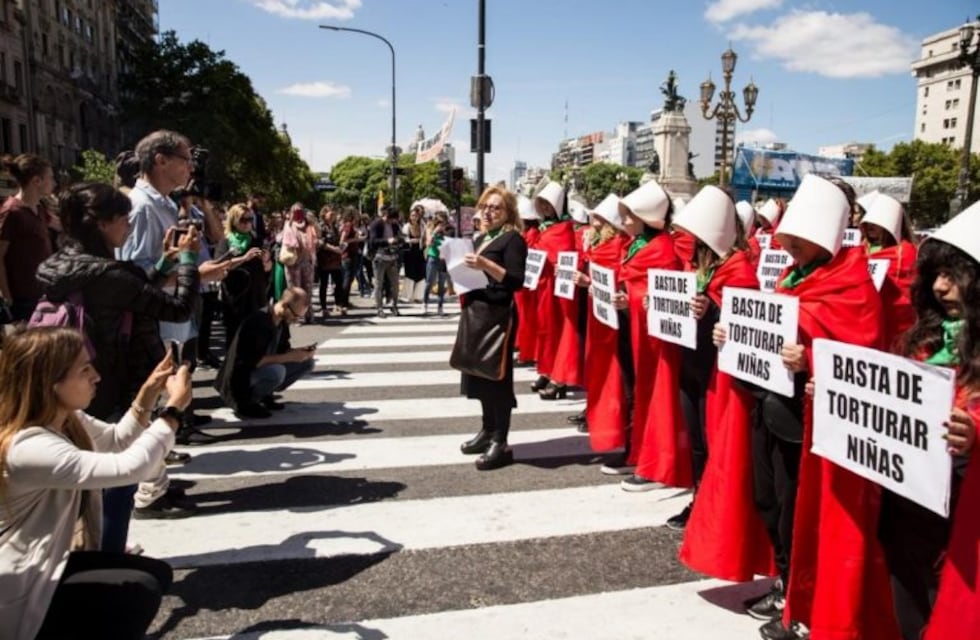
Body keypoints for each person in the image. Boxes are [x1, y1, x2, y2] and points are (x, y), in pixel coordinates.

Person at [721, 175, 893, 640]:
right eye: (787, 238)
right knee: (770, 502)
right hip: (772, 409)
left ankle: (803, 606)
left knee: (799, 515)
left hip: (809, 425)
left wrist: (811, 358)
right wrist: (730, 333)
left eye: (798, 239)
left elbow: (864, 355)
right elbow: (769, 331)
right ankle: (785, 584)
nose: (788, 244)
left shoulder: (853, 285)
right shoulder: (790, 277)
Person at [36, 182, 206, 542]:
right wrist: (190, 261)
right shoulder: (109, 274)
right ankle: (108, 558)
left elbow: (131, 294)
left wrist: (164, 264)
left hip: (74, 377)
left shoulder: (61, 264)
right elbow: (177, 308)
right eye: (123, 220)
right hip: (112, 381)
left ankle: (95, 550)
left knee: (90, 478)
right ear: (102, 223)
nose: (128, 227)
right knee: (119, 480)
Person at [0, 327, 192, 640]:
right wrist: (172, 411)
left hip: (45, 563)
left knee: (154, 575)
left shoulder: (65, 418)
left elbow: (116, 441)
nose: (97, 376)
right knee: (136, 591)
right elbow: (131, 466)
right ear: (50, 383)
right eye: (84, 369)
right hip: (20, 588)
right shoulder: (26, 445)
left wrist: (148, 392)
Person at [878, 201, 979, 640]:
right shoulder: (926, 339)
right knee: (907, 586)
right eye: (936, 275)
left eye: (953, 277)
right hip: (910, 499)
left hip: (962, 508)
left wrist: (975, 432)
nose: (940, 287)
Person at [613, 181, 688, 488]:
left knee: (656, 395)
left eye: (629, 215)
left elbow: (660, 293)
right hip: (633, 331)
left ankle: (658, 461)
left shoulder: (662, 249)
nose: (624, 221)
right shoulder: (638, 245)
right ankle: (640, 450)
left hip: (655, 342)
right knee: (637, 392)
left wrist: (628, 297)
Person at [458, 186, 528, 471]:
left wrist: (485, 264)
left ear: (508, 212)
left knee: (498, 378)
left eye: (495, 207)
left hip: (499, 315)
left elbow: (515, 280)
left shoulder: (513, 239)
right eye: (485, 206)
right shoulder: (482, 237)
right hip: (478, 311)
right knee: (480, 376)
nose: (488, 211)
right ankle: (487, 430)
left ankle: (501, 441)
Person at [215, 287, 316, 419]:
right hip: (240, 379)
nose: (296, 320)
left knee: (307, 362)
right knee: (277, 372)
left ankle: (265, 395)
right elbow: (252, 361)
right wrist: (290, 356)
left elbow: (282, 350)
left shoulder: (282, 321)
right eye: (296, 316)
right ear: (284, 305)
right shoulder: (258, 321)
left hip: (260, 369)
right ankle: (246, 403)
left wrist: (300, 352)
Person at [0, 153, 57, 322]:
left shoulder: (39, 209)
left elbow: (61, 225)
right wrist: (7, 296)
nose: (54, 183)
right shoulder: (11, 212)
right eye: (50, 178)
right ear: (36, 181)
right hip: (22, 299)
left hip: (43, 292)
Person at [530, 182, 575, 394]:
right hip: (543, 286)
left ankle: (560, 377)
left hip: (557, 290)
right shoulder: (545, 228)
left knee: (557, 331)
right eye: (542, 204)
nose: (545, 208)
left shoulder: (564, 228)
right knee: (545, 330)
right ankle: (547, 370)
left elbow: (561, 255)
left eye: (548, 204)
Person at [860, 193, 918, 350]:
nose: (870, 226)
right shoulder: (860, 249)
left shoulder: (905, 252)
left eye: (876, 223)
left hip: (895, 319)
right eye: (868, 222)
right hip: (867, 317)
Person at [214, 203, 271, 345]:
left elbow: (268, 268)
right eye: (243, 220)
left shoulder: (256, 240)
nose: (247, 224)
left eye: (250, 219)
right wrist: (244, 258)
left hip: (256, 294)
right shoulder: (226, 241)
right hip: (235, 296)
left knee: (255, 334)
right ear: (233, 220)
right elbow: (220, 265)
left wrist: (266, 261)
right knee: (234, 335)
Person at [281, 204, 318, 323]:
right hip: (293, 262)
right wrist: (291, 221)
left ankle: (308, 314)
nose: (298, 214)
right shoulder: (288, 225)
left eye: (300, 211)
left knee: (308, 289)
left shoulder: (309, 225)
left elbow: (316, 238)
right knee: (294, 290)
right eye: (295, 211)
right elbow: (285, 240)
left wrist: (312, 221)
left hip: (307, 261)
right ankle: (295, 316)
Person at [368, 207, 405, 317]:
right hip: (379, 257)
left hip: (392, 257)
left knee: (395, 284)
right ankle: (379, 308)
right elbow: (372, 241)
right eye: (394, 219)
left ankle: (394, 306)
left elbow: (399, 236)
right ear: (388, 217)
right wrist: (387, 241)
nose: (395, 222)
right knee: (379, 284)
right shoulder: (376, 224)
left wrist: (399, 240)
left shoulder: (394, 225)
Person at [316, 206, 345, 317]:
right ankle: (324, 307)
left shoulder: (336, 227)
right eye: (330, 214)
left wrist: (341, 247)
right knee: (323, 283)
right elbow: (320, 242)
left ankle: (338, 304)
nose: (333, 216)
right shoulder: (320, 227)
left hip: (336, 259)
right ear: (324, 215)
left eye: (333, 214)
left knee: (338, 282)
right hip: (324, 258)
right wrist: (333, 248)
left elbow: (338, 240)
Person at [423, 212, 450, 316]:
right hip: (433, 257)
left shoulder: (447, 231)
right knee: (429, 282)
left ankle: (440, 306)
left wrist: (444, 233)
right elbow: (428, 243)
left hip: (443, 259)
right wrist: (435, 231)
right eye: (439, 222)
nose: (441, 225)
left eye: (443, 223)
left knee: (441, 284)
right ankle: (425, 303)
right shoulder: (430, 229)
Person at [402, 205, 427, 303]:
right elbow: (404, 238)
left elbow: (425, 237)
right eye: (412, 215)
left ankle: (418, 296)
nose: (414, 217)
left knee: (420, 273)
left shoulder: (422, 226)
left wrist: (422, 241)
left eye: (416, 215)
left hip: (420, 251)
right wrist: (411, 240)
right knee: (410, 273)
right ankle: (408, 296)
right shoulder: (406, 226)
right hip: (409, 252)